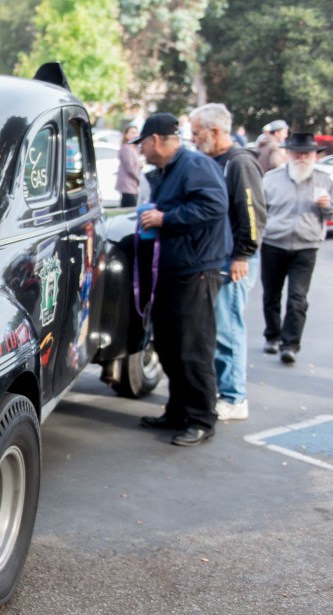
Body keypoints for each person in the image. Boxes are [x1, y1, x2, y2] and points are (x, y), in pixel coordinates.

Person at [135, 112, 232, 447]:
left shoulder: (194, 165)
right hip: (173, 269)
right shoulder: (168, 171)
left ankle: (202, 419)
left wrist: (167, 218)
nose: (141, 150)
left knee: (193, 347)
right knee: (170, 346)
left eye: (143, 143)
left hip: (196, 270)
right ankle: (177, 410)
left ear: (157, 140)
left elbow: (215, 206)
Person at [189, 103, 267, 421]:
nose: (193, 139)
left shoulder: (239, 163)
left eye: (196, 133)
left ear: (215, 131)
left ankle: (235, 397)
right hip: (221, 257)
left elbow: (252, 213)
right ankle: (225, 391)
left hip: (235, 260)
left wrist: (242, 255)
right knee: (218, 326)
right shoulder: (216, 161)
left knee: (229, 327)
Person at [259, 132, 333, 364]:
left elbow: (331, 214)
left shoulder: (324, 181)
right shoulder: (271, 179)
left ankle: (290, 344)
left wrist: (328, 206)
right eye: (298, 153)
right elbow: (261, 212)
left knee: (297, 298)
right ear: (289, 154)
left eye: (307, 153)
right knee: (271, 294)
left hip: (306, 246)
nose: (302, 157)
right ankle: (272, 335)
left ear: (314, 155)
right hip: (273, 243)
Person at [117, 124, 141, 208]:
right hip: (128, 185)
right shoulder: (126, 148)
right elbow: (130, 168)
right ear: (126, 135)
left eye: (136, 133)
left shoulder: (134, 148)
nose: (135, 135)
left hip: (133, 185)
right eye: (132, 133)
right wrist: (139, 179)